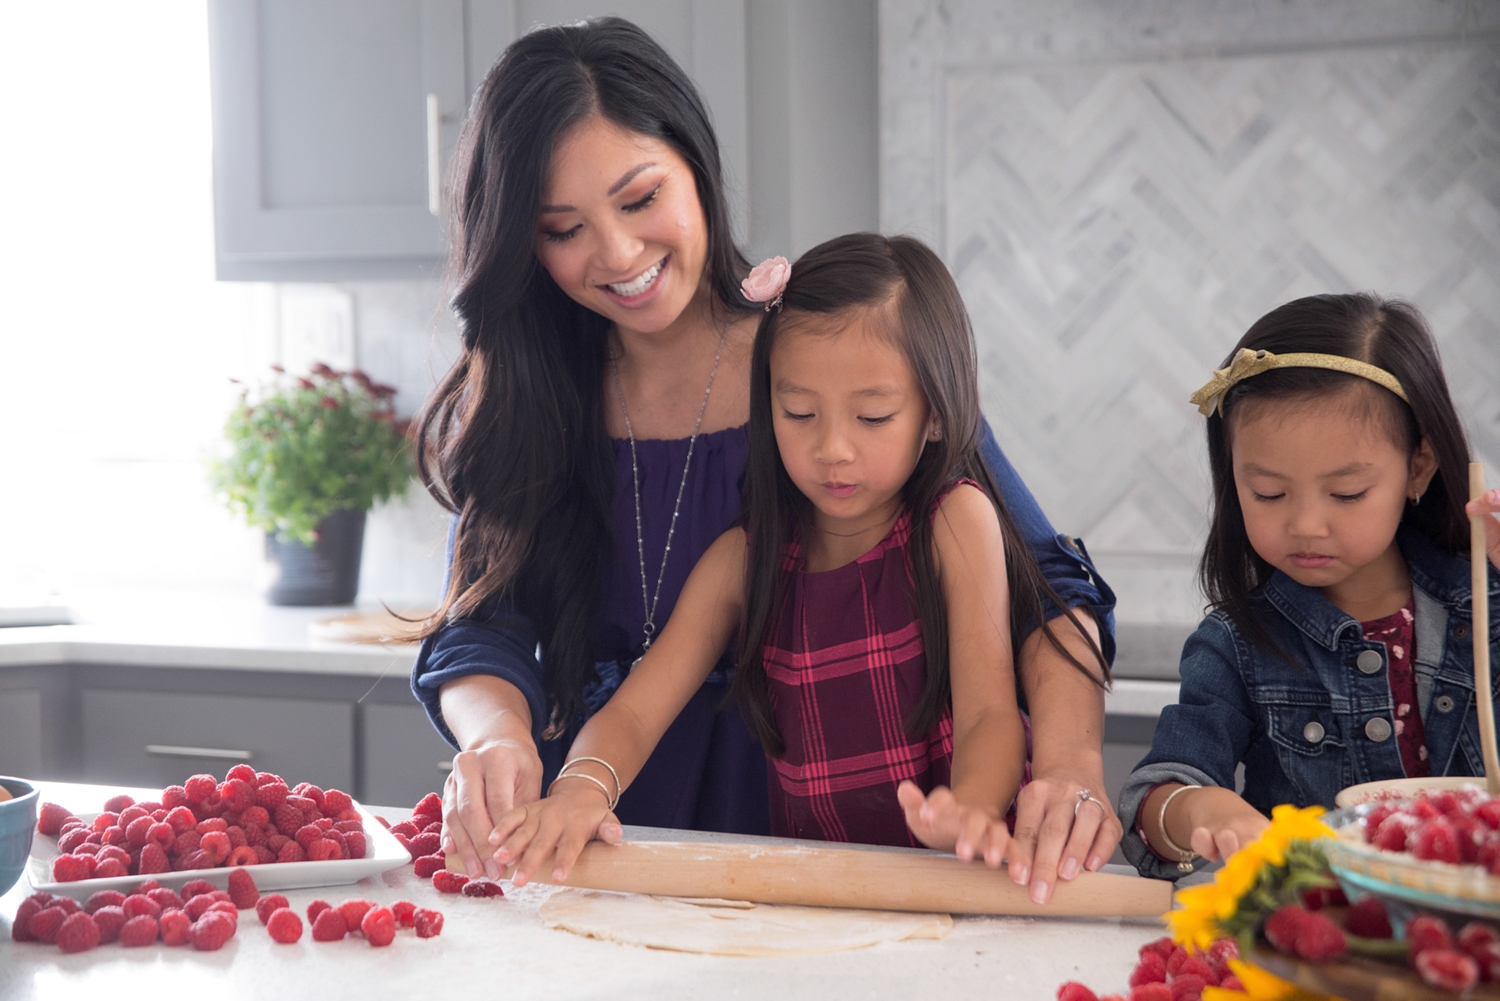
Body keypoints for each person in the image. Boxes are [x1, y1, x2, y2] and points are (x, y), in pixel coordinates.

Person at [410, 16, 1119, 904]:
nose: (619, 254)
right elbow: (481, 624)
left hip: (807, 844)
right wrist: (494, 739)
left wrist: (1068, 766)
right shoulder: (533, 395)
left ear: (696, 166)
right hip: (604, 844)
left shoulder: (826, 360)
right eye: (563, 229)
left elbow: (1044, 585)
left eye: (638, 200)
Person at [490, 233, 1108, 887]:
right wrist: (583, 784)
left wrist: (972, 807)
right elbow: (635, 712)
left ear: (934, 414)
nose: (833, 447)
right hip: (820, 888)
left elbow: (989, 711)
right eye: (800, 411)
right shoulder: (743, 560)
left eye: (873, 416)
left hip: (963, 875)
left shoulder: (956, 522)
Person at [1118, 293, 1500, 880]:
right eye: (1268, 493)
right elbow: (1157, 794)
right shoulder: (1236, 642)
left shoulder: (1488, 599)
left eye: (1346, 494)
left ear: (1418, 467)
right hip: (1320, 938)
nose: (1305, 525)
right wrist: (1198, 807)